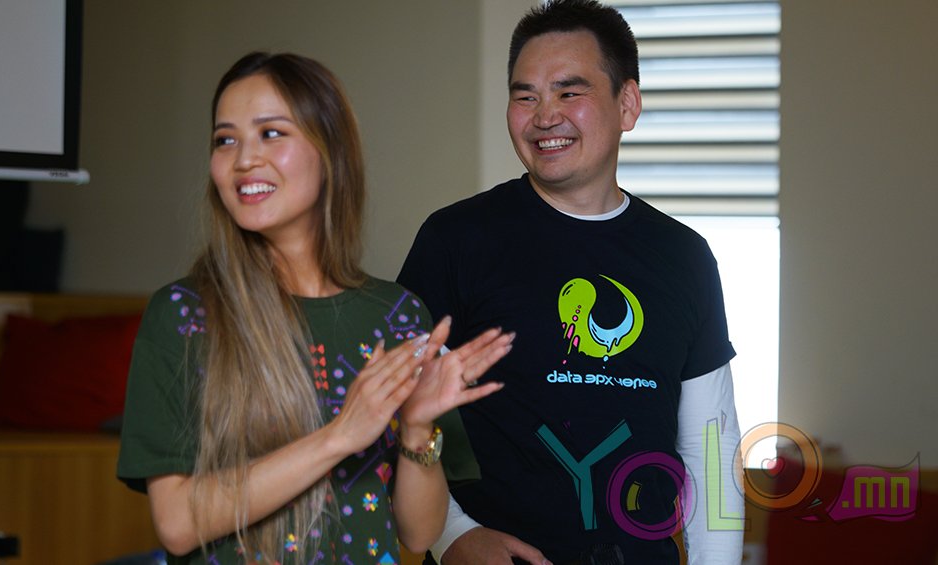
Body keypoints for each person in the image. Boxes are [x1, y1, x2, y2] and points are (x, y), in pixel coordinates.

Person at [116, 51, 515, 565]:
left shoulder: (397, 315)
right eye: (225, 139)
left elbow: (419, 534)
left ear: (330, 152)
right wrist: (340, 436)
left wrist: (417, 428)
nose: (243, 159)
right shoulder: (184, 314)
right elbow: (176, 524)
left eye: (271, 133)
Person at [397, 1, 745, 563]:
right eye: (525, 96)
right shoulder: (456, 239)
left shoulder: (685, 256)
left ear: (627, 104)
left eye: (568, 92)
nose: (544, 117)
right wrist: (453, 533)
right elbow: (399, 404)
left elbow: (712, 447)